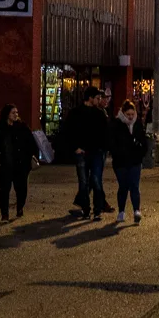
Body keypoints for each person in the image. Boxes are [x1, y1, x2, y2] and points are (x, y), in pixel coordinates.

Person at [63, 86, 111, 220]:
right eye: (97, 98)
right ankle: (85, 209)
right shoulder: (76, 113)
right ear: (90, 98)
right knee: (83, 182)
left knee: (96, 180)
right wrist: (75, 147)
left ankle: (97, 210)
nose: (99, 100)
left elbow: (105, 133)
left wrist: (103, 149)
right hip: (82, 152)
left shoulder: (99, 114)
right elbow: (67, 132)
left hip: (96, 152)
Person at [0, 104, 39, 222]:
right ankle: (4, 215)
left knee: (21, 189)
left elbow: (31, 144)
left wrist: (30, 159)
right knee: (4, 190)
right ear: (7, 114)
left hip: (20, 165)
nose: (16, 115)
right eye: (13, 113)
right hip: (4, 165)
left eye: (17, 112)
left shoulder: (22, 128)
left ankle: (20, 207)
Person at [109, 99, 148, 224]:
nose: (131, 117)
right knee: (123, 186)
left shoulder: (137, 124)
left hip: (135, 161)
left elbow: (144, 141)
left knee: (134, 186)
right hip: (120, 162)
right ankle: (121, 212)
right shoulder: (117, 124)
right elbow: (112, 142)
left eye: (132, 114)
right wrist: (117, 152)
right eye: (128, 114)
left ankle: (137, 210)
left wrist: (140, 153)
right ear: (123, 113)